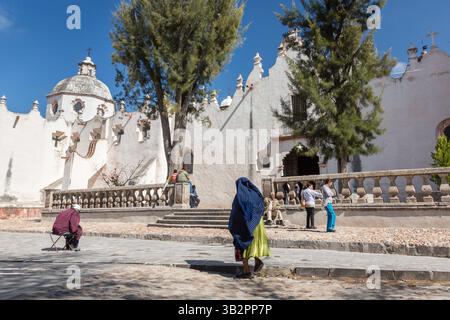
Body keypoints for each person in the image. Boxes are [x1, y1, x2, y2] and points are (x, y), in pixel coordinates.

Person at [228, 177, 271, 279]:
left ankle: (246, 271)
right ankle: (257, 261)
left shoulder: (240, 196)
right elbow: (262, 207)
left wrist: (233, 223)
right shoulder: (256, 195)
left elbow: (237, 211)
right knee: (252, 245)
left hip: (246, 225)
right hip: (258, 225)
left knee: (243, 246)